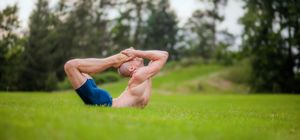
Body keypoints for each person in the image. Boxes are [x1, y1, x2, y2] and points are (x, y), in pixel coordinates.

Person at [64, 48, 168, 108]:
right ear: (132, 68)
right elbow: (162, 56)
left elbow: (160, 56)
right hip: (103, 101)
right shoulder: (140, 75)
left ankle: (113, 61)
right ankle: (113, 60)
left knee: (71, 66)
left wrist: (135, 52)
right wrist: (136, 53)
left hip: (103, 102)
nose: (135, 56)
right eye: (133, 58)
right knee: (72, 66)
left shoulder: (142, 75)